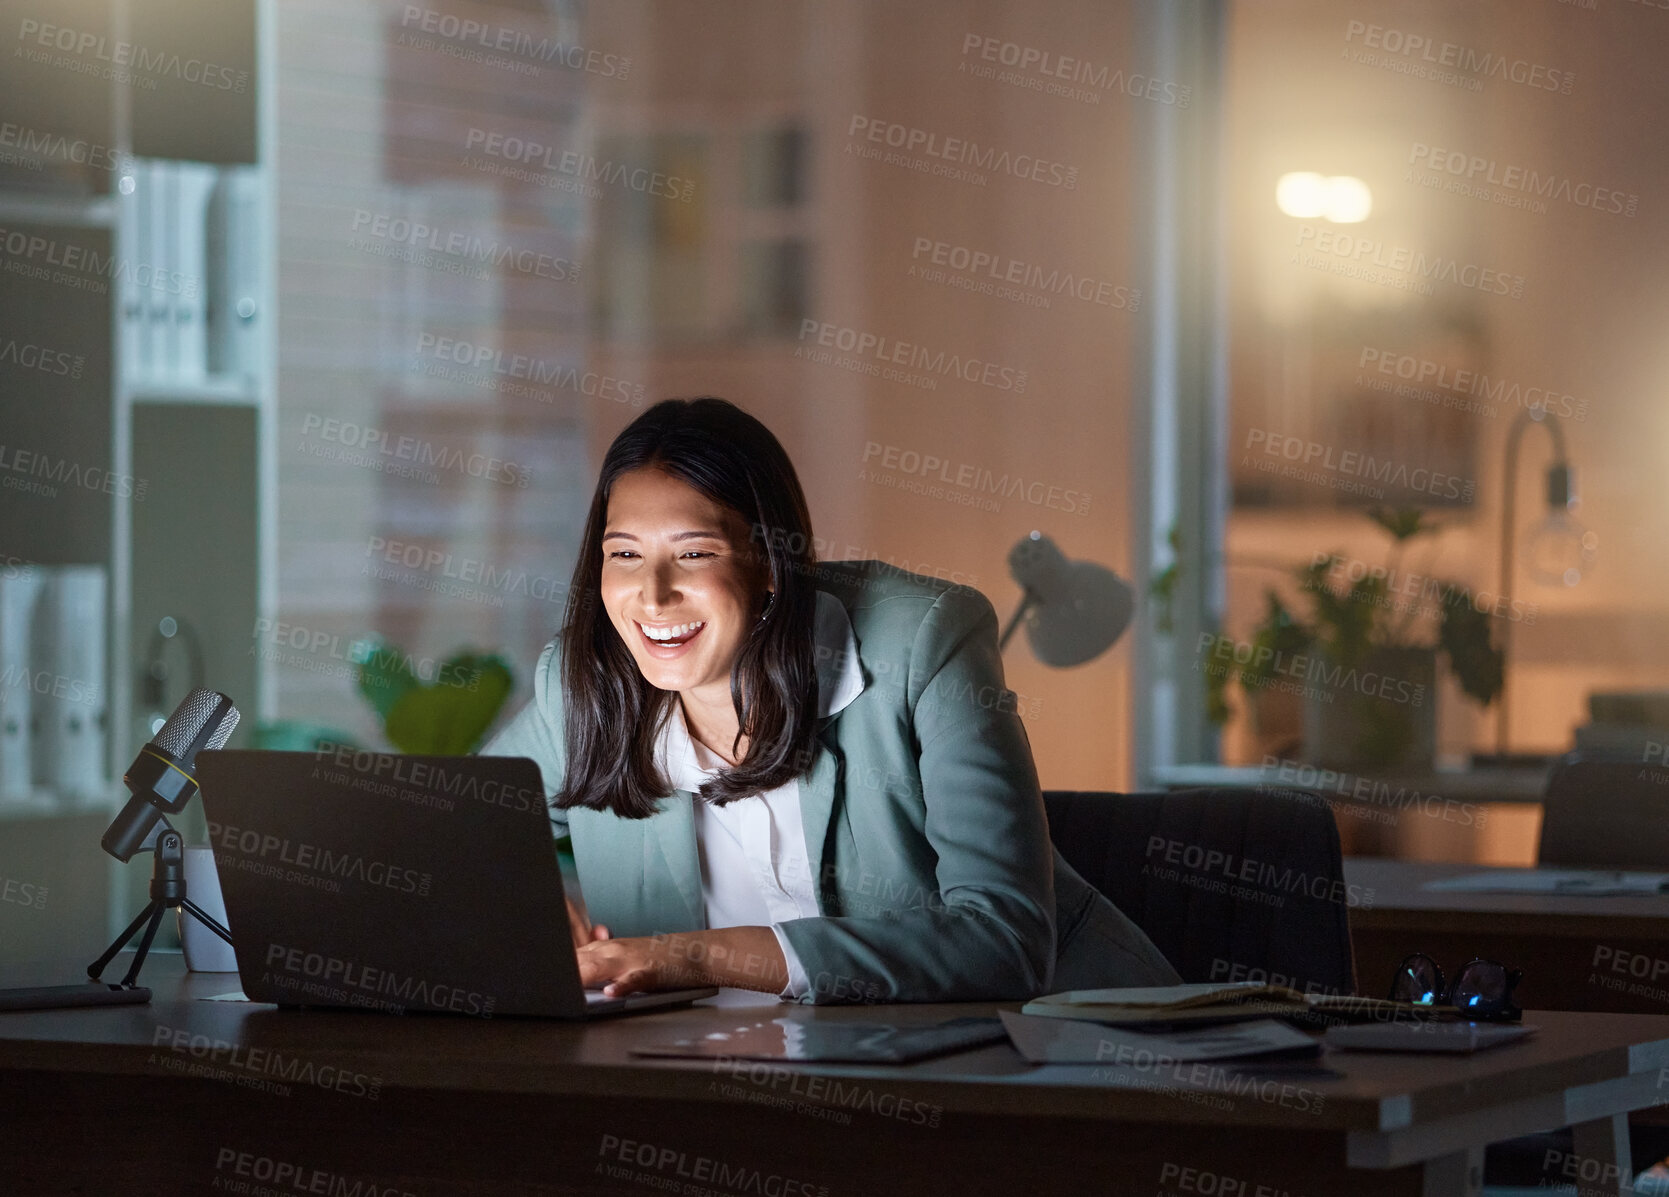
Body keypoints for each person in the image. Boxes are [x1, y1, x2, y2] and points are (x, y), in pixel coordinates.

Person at [484, 397, 1179, 1002]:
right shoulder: (583, 685)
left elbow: (1004, 938)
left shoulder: (923, 641)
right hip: (741, 1072)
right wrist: (532, 895)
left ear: (768, 564)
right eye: (624, 554)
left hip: (1062, 1052)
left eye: (694, 553)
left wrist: (692, 954)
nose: (653, 594)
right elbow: (462, 827)